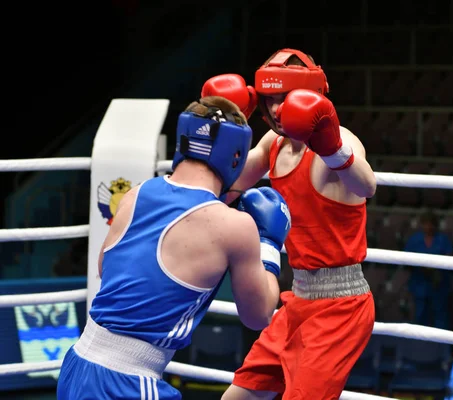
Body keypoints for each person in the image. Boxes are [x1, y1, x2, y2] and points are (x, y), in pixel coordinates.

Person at [56, 96, 292, 400]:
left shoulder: (138, 192)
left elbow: (105, 266)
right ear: (236, 157)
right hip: (127, 384)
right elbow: (259, 316)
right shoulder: (235, 226)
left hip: (77, 365)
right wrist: (269, 243)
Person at [202, 48, 378, 400]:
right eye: (270, 99)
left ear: (310, 97)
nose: (277, 109)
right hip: (295, 300)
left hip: (340, 308)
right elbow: (227, 189)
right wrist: (229, 129)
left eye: (287, 98)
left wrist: (333, 148)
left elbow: (367, 185)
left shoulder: (341, 141)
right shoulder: (274, 142)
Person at [403, 210, 453, 329]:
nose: (428, 226)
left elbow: (451, 259)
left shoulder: (443, 240)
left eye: (431, 223)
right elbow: (405, 260)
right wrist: (421, 266)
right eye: (425, 223)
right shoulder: (415, 239)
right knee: (420, 317)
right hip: (419, 284)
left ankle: (442, 345)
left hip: (439, 284)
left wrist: (435, 269)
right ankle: (420, 346)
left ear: (435, 225)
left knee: (440, 319)